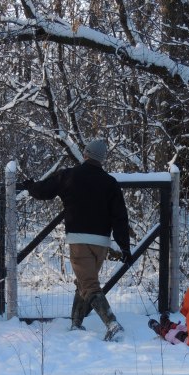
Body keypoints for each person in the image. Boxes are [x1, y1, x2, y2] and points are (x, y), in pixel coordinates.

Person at [22, 139, 131, 341]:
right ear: (102, 159)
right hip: (102, 244)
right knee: (85, 282)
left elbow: (43, 192)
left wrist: (29, 186)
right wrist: (124, 246)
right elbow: (120, 217)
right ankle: (76, 324)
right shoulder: (110, 183)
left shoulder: (69, 176)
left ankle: (112, 324)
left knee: (89, 284)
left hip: (79, 240)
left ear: (86, 154)